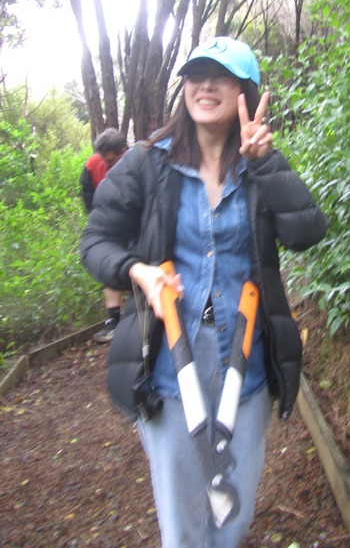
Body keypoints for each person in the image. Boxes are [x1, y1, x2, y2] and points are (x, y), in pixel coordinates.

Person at [80, 36, 328, 547]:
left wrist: (266, 164)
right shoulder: (147, 162)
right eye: (196, 75)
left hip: (245, 361)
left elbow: (307, 232)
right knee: (185, 521)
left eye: (221, 76)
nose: (205, 86)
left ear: (245, 92)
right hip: (170, 361)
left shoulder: (259, 166)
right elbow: (95, 242)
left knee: (233, 514)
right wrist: (137, 271)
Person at [80, 127, 127, 343]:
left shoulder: (139, 163)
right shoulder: (91, 166)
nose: (105, 165)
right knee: (111, 269)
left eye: (110, 160)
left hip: (136, 223)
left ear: (123, 152)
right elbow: (89, 201)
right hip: (109, 225)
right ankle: (113, 322)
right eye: (103, 159)